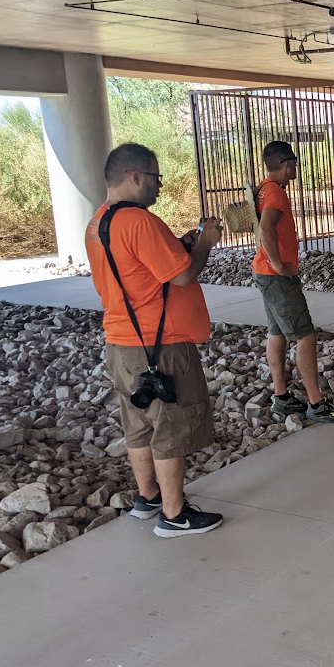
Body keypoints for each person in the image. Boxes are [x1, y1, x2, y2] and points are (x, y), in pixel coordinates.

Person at [84, 143, 224, 538]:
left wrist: (180, 246)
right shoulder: (140, 222)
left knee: (139, 423)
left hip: (121, 344)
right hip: (159, 345)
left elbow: (139, 271)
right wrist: (205, 242)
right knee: (170, 425)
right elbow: (182, 276)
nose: (159, 187)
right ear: (135, 177)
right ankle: (175, 514)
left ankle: (147, 498)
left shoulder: (98, 222)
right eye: (156, 178)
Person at [252, 141, 334, 423]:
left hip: (264, 273)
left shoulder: (263, 188)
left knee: (278, 332)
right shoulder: (275, 193)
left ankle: (282, 396)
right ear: (286, 164)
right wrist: (277, 264)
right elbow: (266, 228)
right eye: (294, 162)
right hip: (275, 276)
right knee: (305, 335)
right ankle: (316, 403)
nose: (295, 167)